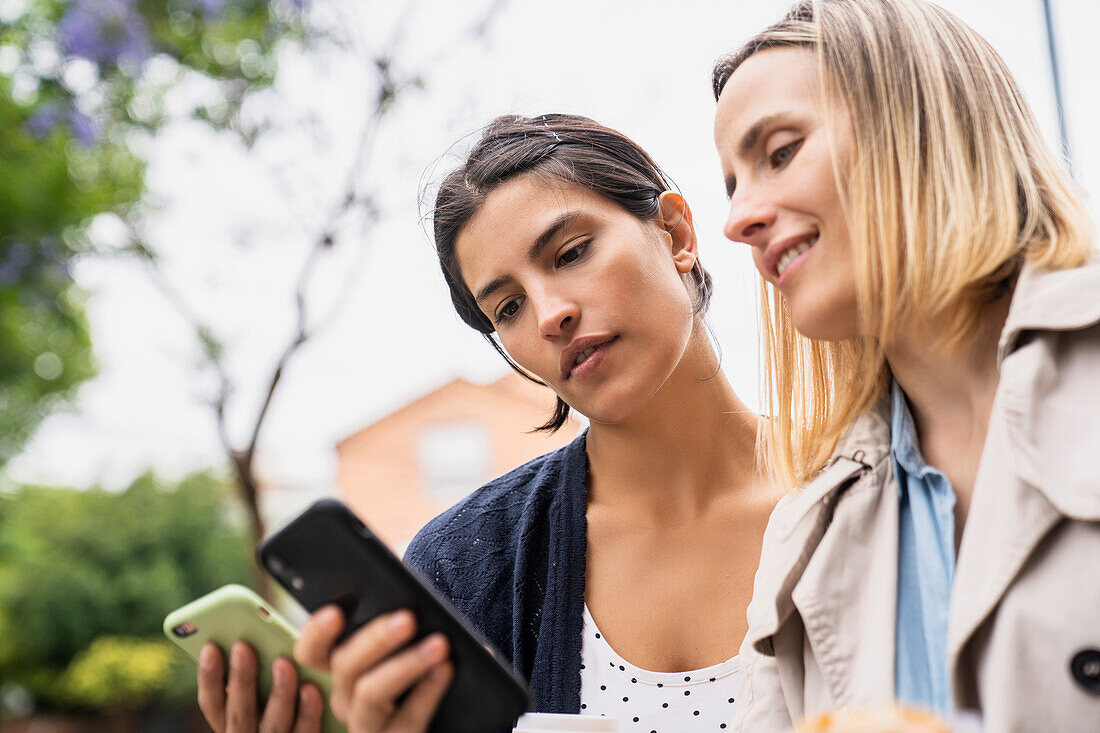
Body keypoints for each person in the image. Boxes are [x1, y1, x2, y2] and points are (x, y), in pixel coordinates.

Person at [196, 114, 779, 733]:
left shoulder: (867, 488)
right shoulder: (464, 566)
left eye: (572, 253)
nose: (552, 314)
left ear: (675, 231)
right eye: (508, 306)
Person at [710, 0, 1100, 730]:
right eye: (732, 183)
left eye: (780, 152)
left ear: (917, 125)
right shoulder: (802, 542)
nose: (737, 219)